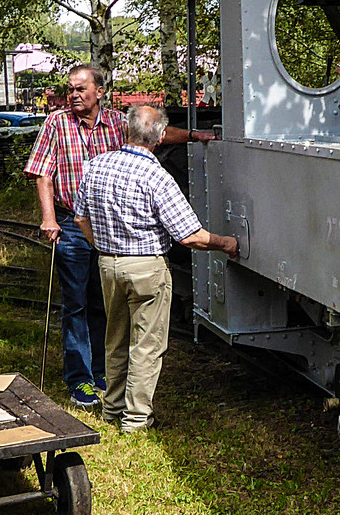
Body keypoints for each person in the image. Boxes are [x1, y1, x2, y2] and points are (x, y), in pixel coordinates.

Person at [24, 64, 213, 407]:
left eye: (81, 89)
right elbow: (42, 173)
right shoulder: (56, 123)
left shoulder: (115, 122)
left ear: (99, 91)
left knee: (104, 302)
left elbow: (156, 134)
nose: (74, 95)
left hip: (107, 224)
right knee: (76, 303)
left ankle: (101, 372)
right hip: (71, 222)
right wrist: (49, 218)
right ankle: (80, 379)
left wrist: (194, 136)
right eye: (71, 89)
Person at [72, 106, 237, 433]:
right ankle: (136, 420)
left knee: (114, 339)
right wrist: (227, 244)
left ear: (127, 131)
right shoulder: (157, 176)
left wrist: (101, 246)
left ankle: (112, 410)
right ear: (161, 137)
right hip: (146, 268)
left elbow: (79, 217)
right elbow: (190, 236)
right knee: (146, 346)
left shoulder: (96, 166)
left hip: (107, 264)